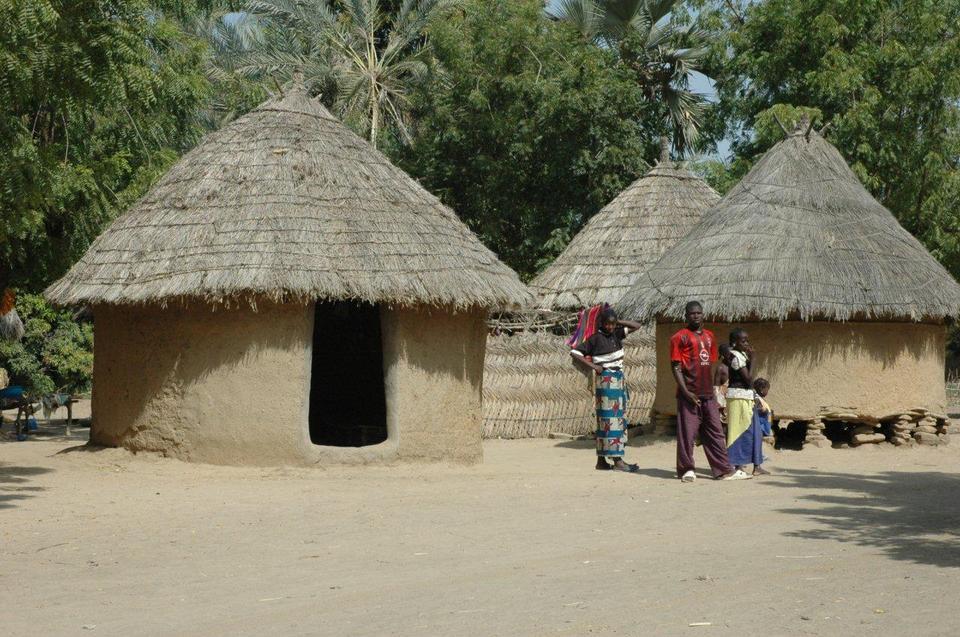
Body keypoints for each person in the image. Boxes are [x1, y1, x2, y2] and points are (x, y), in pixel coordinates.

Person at [670, 301, 750, 482]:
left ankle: (722, 470)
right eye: (692, 313)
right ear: (686, 316)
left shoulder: (709, 337)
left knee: (715, 432)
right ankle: (686, 470)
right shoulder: (679, 337)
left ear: (703, 314)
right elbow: (675, 367)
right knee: (688, 434)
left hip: (708, 395)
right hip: (688, 394)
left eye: (699, 313)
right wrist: (686, 391)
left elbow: (709, 363)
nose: (696, 316)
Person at [570, 307, 644, 472]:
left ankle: (601, 461)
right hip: (605, 382)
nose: (610, 327)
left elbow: (637, 325)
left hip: (617, 381)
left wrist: (617, 321)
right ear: (601, 323)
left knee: (610, 421)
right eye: (607, 324)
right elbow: (575, 352)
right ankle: (617, 461)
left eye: (612, 324)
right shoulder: (595, 339)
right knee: (611, 422)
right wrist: (594, 366)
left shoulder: (617, 334)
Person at [725, 329, 767, 475]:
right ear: (734, 342)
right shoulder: (735, 357)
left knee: (755, 432)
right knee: (739, 431)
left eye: (747, 340)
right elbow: (749, 380)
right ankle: (736, 465)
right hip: (738, 398)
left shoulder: (742, 355)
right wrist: (754, 359)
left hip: (747, 397)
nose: (747, 344)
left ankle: (757, 466)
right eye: (743, 341)